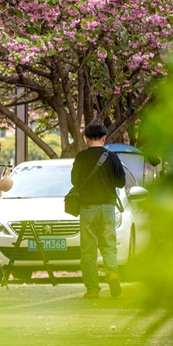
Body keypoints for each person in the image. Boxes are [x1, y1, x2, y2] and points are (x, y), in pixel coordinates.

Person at [70, 123, 126, 299]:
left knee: (88, 249)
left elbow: (74, 181)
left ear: (86, 139)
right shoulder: (113, 157)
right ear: (104, 138)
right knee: (109, 245)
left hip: (88, 208)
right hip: (108, 207)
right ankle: (112, 273)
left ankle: (93, 289)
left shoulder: (81, 157)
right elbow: (121, 183)